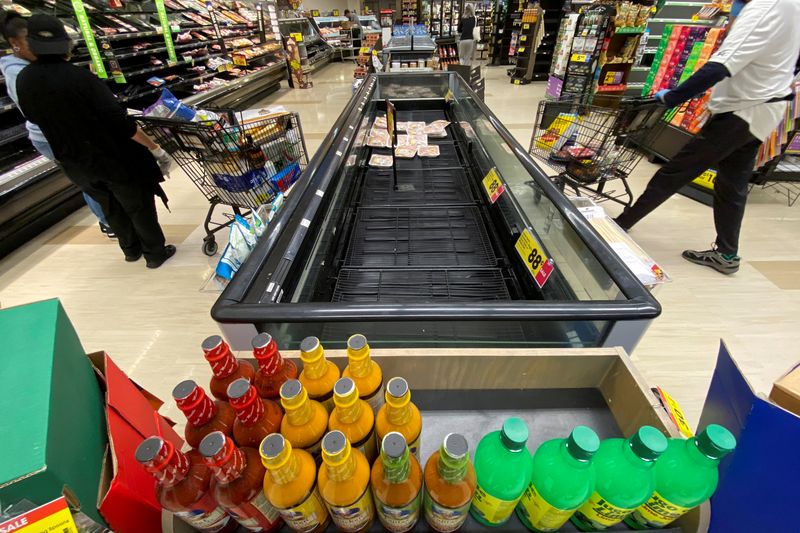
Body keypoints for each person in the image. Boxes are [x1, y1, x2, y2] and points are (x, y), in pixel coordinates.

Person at [614, 0, 800, 275]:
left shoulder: (763, 9)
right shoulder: (792, 5)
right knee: (732, 183)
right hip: (767, 106)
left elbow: (719, 66)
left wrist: (675, 96)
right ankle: (727, 253)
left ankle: (621, 225)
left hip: (743, 109)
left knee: (675, 172)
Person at [16, 14, 176, 268]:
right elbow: (122, 124)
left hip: (73, 160)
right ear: (65, 44)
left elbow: (33, 116)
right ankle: (155, 253)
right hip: (112, 157)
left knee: (110, 206)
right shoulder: (80, 78)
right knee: (137, 205)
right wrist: (155, 148)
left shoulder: (24, 79)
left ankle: (130, 250)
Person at [0, 12, 115, 239]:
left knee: (95, 175)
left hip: (71, 132)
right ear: (15, 44)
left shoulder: (34, 66)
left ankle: (113, 217)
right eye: (30, 42)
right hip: (52, 136)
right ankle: (108, 221)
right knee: (89, 179)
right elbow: (38, 111)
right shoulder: (17, 72)